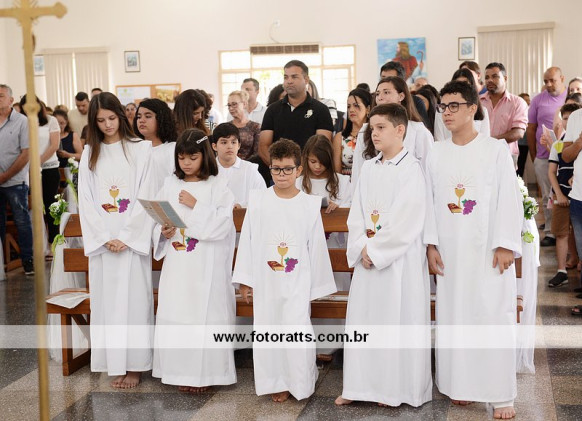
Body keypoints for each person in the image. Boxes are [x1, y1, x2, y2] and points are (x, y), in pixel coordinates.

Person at [426, 81, 522, 420]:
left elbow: (508, 198)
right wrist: (431, 244)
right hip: (450, 250)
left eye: (454, 105)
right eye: (443, 106)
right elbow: (429, 202)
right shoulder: (436, 152)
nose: (447, 112)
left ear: (471, 108)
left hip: (487, 250)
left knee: (492, 316)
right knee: (455, 318)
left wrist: (506, 243)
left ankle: (501, 394)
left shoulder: (494, 149)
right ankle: (462, 386)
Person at [335, 103, 431, 408]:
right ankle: (358, 386)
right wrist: (361, 246)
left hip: (397, 261)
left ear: (400, 130)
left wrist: (375, 251)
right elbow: (357, 213)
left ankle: (393, 391)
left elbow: (408, 219)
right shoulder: (369, 167)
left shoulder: (411, 169)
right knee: (364, 321)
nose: (373, 133)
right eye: (372, 128)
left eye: (381, 128)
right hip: (367, 257)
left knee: (394, 322)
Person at [232, 139, 336, 403]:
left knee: (296, 329)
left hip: (297, 279)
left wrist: (318, 286)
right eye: (276, 169)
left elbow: (316, 246)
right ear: (270, 169)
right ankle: (276, 382)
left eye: (288, 169)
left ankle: (299, 382)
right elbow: (248, 240)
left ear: (299, 170)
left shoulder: (309, 204)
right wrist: (245, 280)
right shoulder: (258, 200)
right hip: (265, 279)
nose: (281, 174)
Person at [78, 92, 155, 389]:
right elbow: (85, 199)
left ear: (121, 117)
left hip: (130, 241)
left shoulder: (140, 149)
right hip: (104, 243)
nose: (108, 125)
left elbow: (147, 194)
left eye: (112, 118)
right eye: (101, 120)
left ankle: (135, 366)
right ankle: (114, 363)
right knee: (108, 305)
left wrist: (126, 236)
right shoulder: (90, 153)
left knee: (134, 303)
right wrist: (103, 237)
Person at [151, 128, 237, 393]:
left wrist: (195, 205)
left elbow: (222, 225)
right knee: (177, 311)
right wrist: (163, 231)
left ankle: (205, 375)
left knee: (204, 315)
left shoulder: (217, 184)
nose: (186, 163)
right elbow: (158, 218)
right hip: (178, 263)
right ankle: (178, 372)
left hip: (206, 263)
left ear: (205, 155)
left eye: (192, 157)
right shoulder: (170, 183)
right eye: (181, 158)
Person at [258, 60, 333, 166]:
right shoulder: (272, 109)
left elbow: (321, 147)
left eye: (294, 77)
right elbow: (263, 146)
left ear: (306, 79)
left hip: (308, 171)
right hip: (278, 171)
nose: (289, 81)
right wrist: (280, 168)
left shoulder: (321, 110)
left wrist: (298, 170)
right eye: (286, 77)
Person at [527, 67, 567, 247]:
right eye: (546, 81)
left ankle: (564, 233)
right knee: (547, 196)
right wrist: (534, 155)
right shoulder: (538, 100)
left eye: (552, 80)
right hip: (544, 157)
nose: (549, 84)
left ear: (562, 79)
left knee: (565, 196)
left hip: (568, 157)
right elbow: (531, 129)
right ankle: (550, 231)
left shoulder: (570, 97)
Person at [547, 103, 582, 287]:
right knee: (563, 233)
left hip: (576, 191)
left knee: (577, 235)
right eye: (565, 118)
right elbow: (552, 171)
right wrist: (559, 194)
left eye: (570, 118)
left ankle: (576, 261)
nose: (568, 121)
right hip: (564, 194)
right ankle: (562, 271)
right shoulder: (558, 144)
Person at [19, 95, 61, 247]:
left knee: (50, 204)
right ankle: (37, 244)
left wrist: (39, 161)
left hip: (49, 168)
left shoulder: (50, 120)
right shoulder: (22, 123)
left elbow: (54, 145)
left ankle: (54, 242)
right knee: (33, 206)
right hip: (27, 170)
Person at [0, 84, 33, 274]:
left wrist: (5, 176)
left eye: (1, 96)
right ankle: (1, 262)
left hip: (15, 181)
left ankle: (28, 260)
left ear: (11, 100)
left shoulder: (22, 121)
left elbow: (26, 153)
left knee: (22, 221)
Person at [480, 62, 528, 166]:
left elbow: (518, 132)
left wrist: (489, 142)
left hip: (506, 156)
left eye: (494, 76)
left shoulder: (517, 103)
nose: (489, 80)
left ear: (505, 78)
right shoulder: (478, 102)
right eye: (487, 77)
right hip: (480, 155)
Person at [211, 122, 266, 208]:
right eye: (224, 142)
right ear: (214, 146)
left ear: (239, 145)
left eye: (233, 142)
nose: (230, 146)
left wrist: (242, 206)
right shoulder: (207, 170)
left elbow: (262, 198)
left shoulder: (250, 170)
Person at [434, 68, 490, 142]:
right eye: (458, 84)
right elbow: (439, 139)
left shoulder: (483, 110)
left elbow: (485, 139)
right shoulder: (441, 111)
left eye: (465, 84)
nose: (461, 88)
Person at [133, 98, 177, 190]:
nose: (141, 120)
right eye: (139, 117)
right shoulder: (133, 148)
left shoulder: (172, 148)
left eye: (148, 116)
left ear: (161, 118)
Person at [332, 88, 371, 177]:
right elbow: (337, 173)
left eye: (356, 105)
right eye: (349, 106)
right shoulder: (340, 137)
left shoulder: (374, 135)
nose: (351, 110)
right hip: (347, 183)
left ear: (368, 109)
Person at [379, 61, 429, 128]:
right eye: (383, 78)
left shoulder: (416, 102)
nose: (385, 82)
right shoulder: (377, 99)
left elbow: (424, 128)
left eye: (390, 79)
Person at [226, 90, 261, 161]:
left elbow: (257, 153)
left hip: (250, 164)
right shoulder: (225, 127)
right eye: (229, 105)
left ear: (244, 104)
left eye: (234, 104)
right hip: (228, 164)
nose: (231, 108)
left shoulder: (255, 127)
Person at [517, 93, 531, 177]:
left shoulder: (531, 111)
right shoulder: (517, 111)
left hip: (526, 143)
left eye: (529, 100)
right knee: (517, 165)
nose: (528, 102)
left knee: (522, 165)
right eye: (526, 100)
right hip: (517, 143)